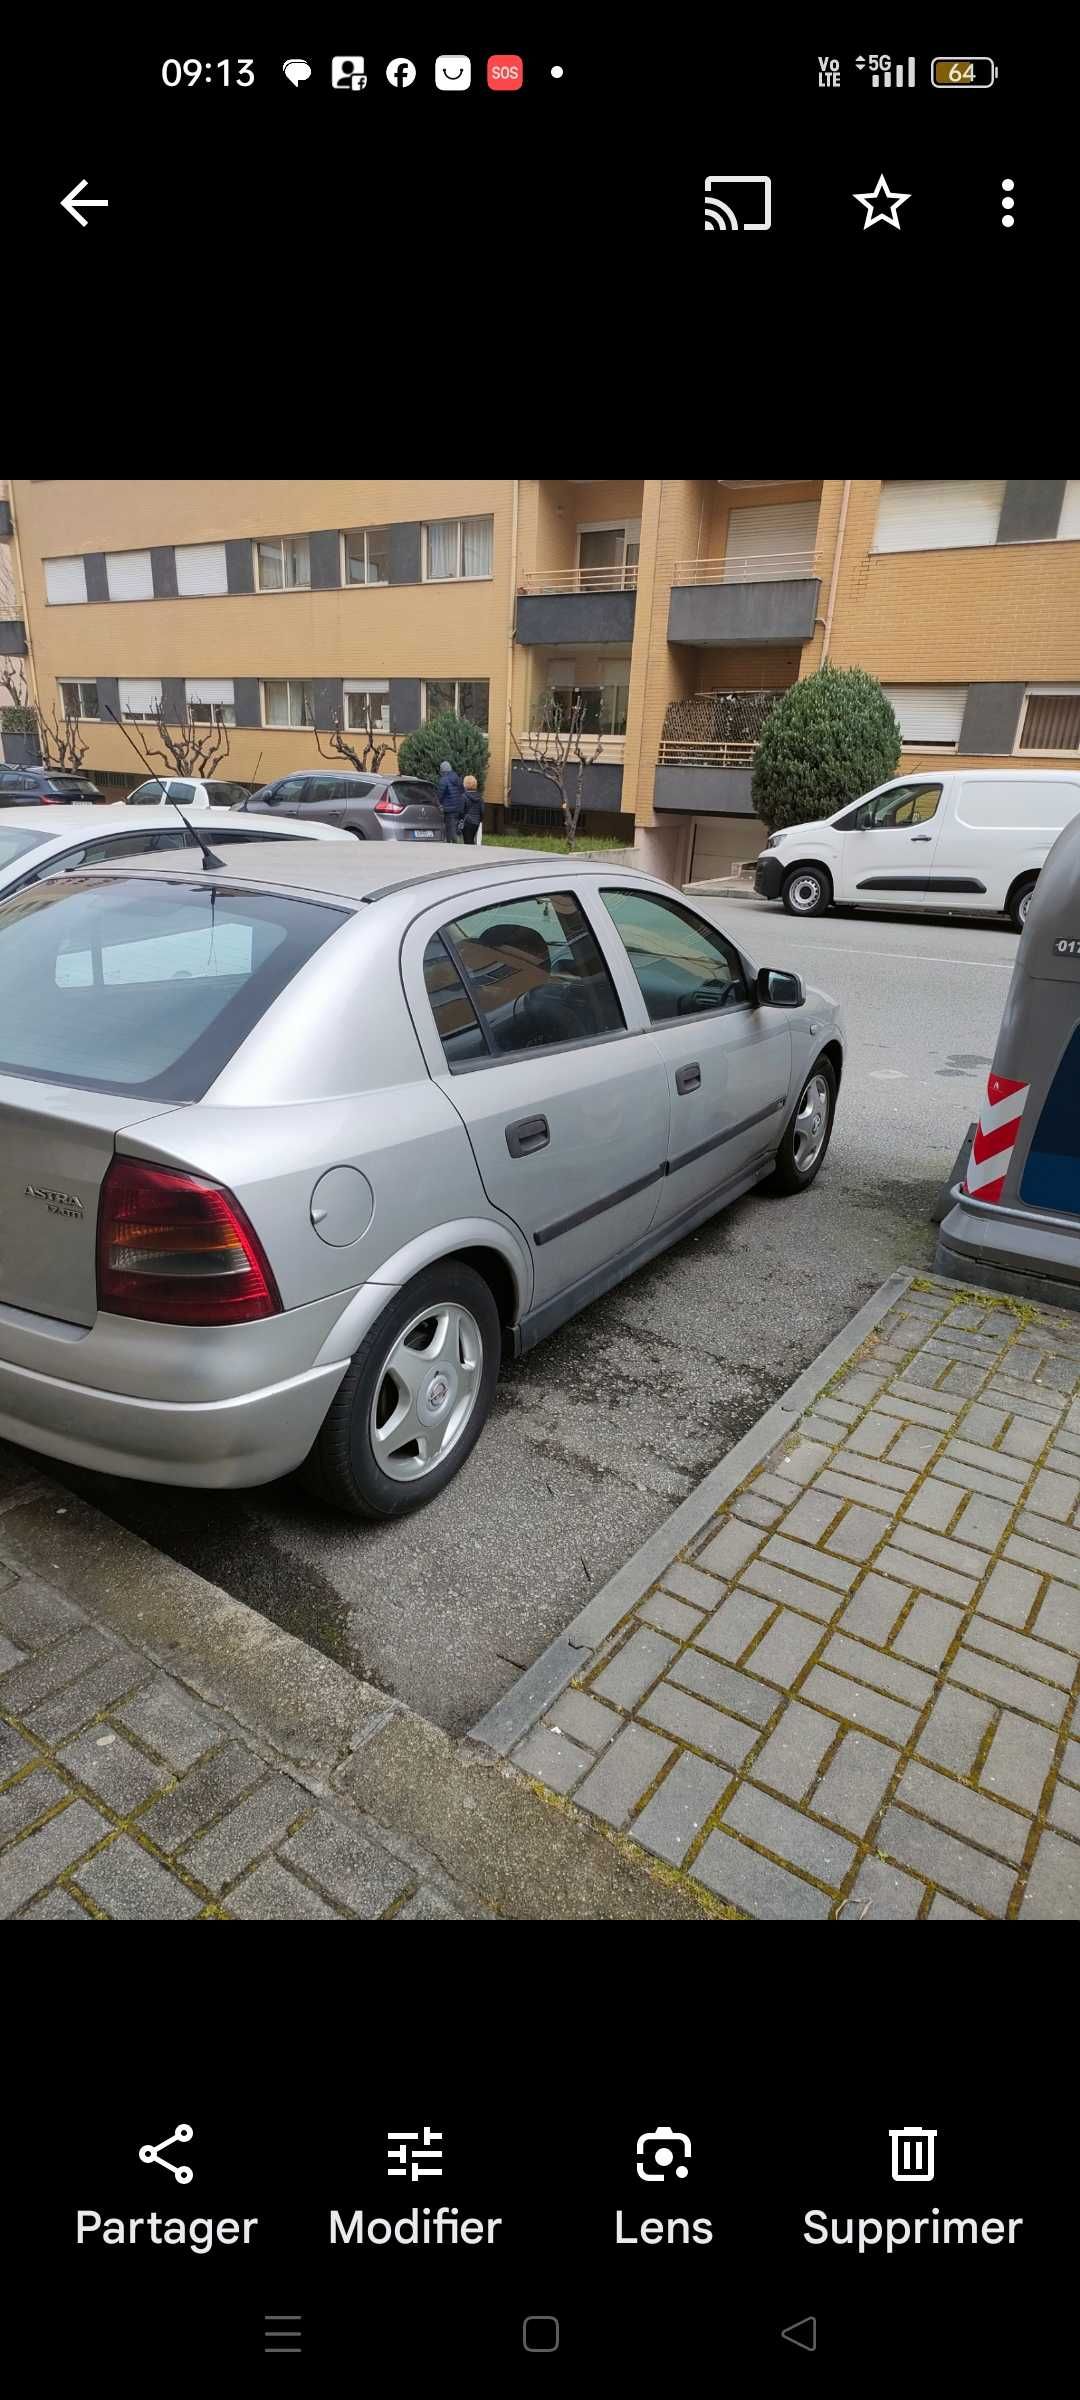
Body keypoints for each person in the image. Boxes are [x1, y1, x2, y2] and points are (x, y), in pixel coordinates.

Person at [436, 758, 465, 841]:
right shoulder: (456, 777)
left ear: (442, 770)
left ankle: (452, 845)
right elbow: (462, 791)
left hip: (449, 809)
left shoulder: (443, 780)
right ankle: (453, 841)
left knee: (450, 829)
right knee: (453, 827)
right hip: (458, 808)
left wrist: (439, 804)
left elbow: (440, 795)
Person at [461, 774, 483, 845]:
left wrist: (460, 819)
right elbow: (482, 811)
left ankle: (469, 855)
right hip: (476, 822)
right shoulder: (480, 798)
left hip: (467, 822)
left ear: (465, 784)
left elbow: (461, 811)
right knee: (471, 840)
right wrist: (480, 820)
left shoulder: (464, 796)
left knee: (467, 841)